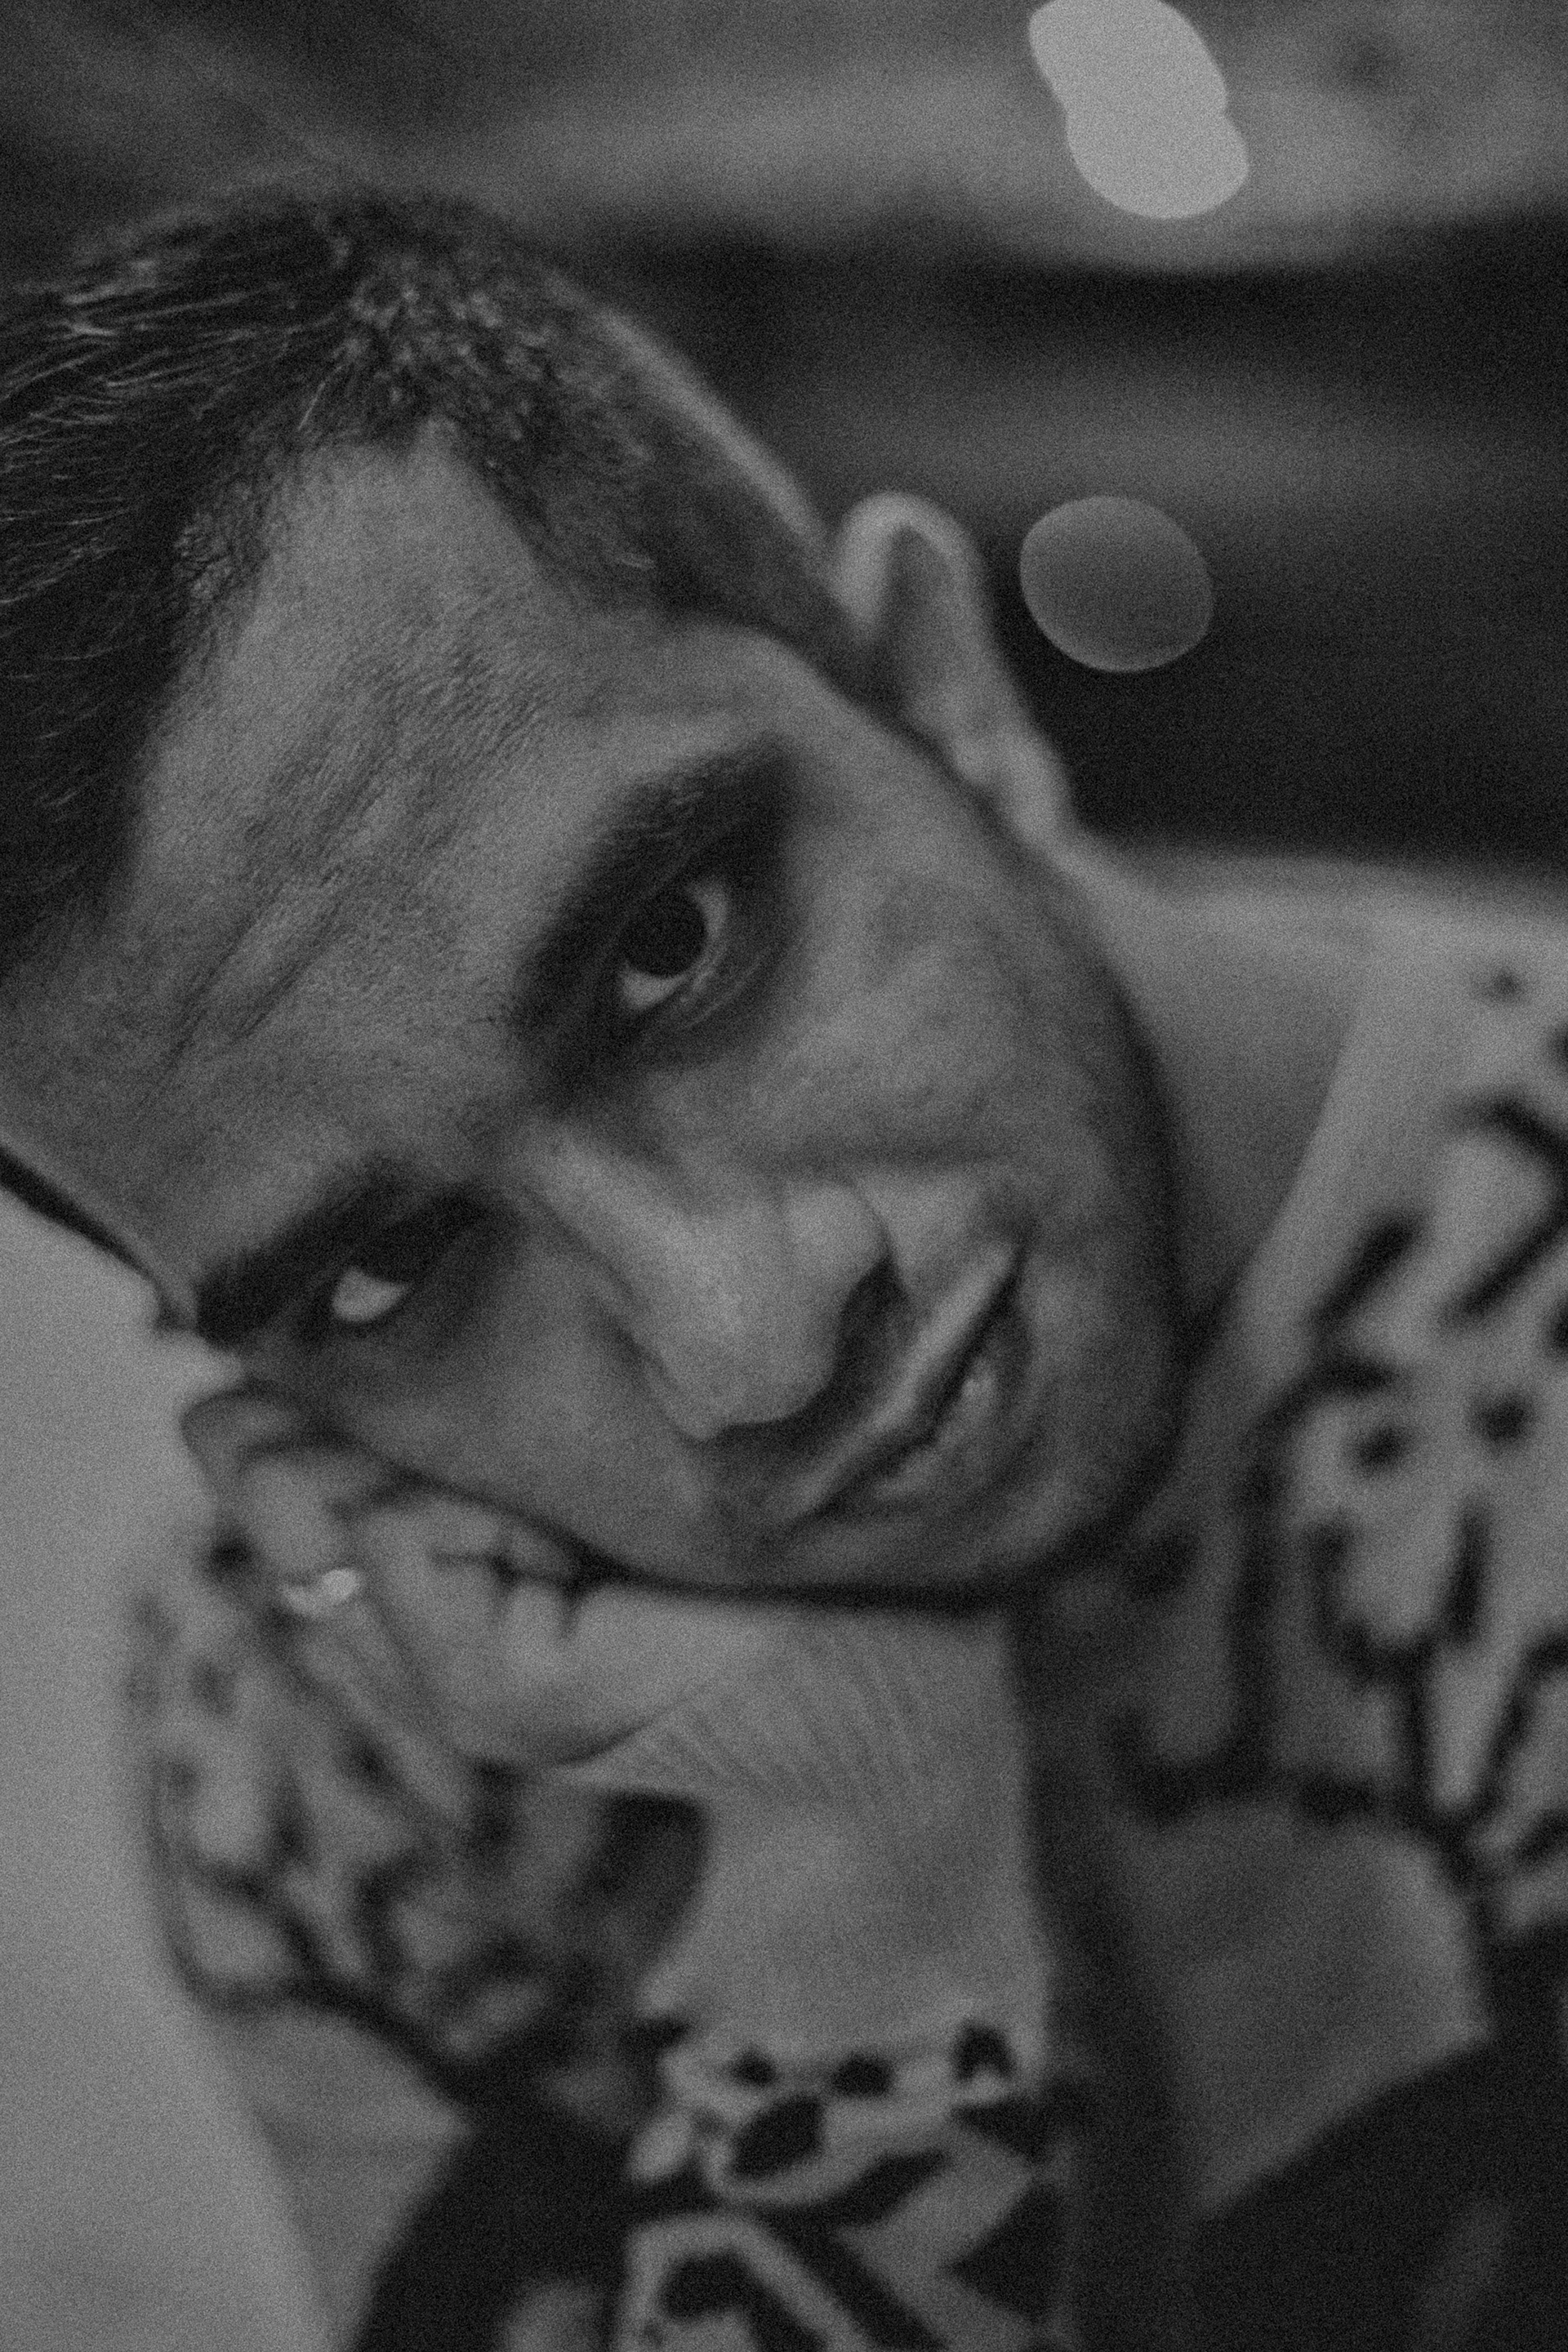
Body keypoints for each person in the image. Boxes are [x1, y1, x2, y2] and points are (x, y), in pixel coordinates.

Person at [1, 187, 1564, 2351]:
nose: (741, 1342)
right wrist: (855, 1913)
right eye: (383, 1273)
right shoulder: (327, 1728)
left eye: (673, 950)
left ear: (941, 692)